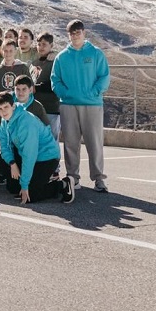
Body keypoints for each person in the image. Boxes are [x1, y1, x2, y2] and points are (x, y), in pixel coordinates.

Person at [51, 20, 111, 193]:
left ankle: (98, 179)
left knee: (94, 142)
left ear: (84, 33)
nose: (75, 35)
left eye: (78, 32)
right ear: (68, 35)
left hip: (92, 104)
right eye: (72, 32)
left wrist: (94, 92)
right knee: (70, 142)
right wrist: (65, 94)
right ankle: (73, 178)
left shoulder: (95, 53)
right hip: (68, 105)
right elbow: (55, 80)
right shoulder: (62, 57)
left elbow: (104, 76)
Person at [0, 91, 74, 204]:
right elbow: (4, 146)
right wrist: (12, 164)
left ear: (13, 105)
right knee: (1, 164)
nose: (3, 111)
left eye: (6, 107)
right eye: (0, 109)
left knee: (31, 194)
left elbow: (29, 156)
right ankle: (29, 183)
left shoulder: (26, 122)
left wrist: (25, 185)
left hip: (46, 157)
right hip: (27, 155)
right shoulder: (4, 120)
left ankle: (63, 185)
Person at [30, 32, 61, 139]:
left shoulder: (55, 62)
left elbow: (55, 83)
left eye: (44, 44)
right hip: (35, 107)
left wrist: (36, 88)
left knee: (51, 138)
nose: (41, 47)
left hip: (51, 107)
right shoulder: (34, 63)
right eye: (39, 44)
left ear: (51, 46)